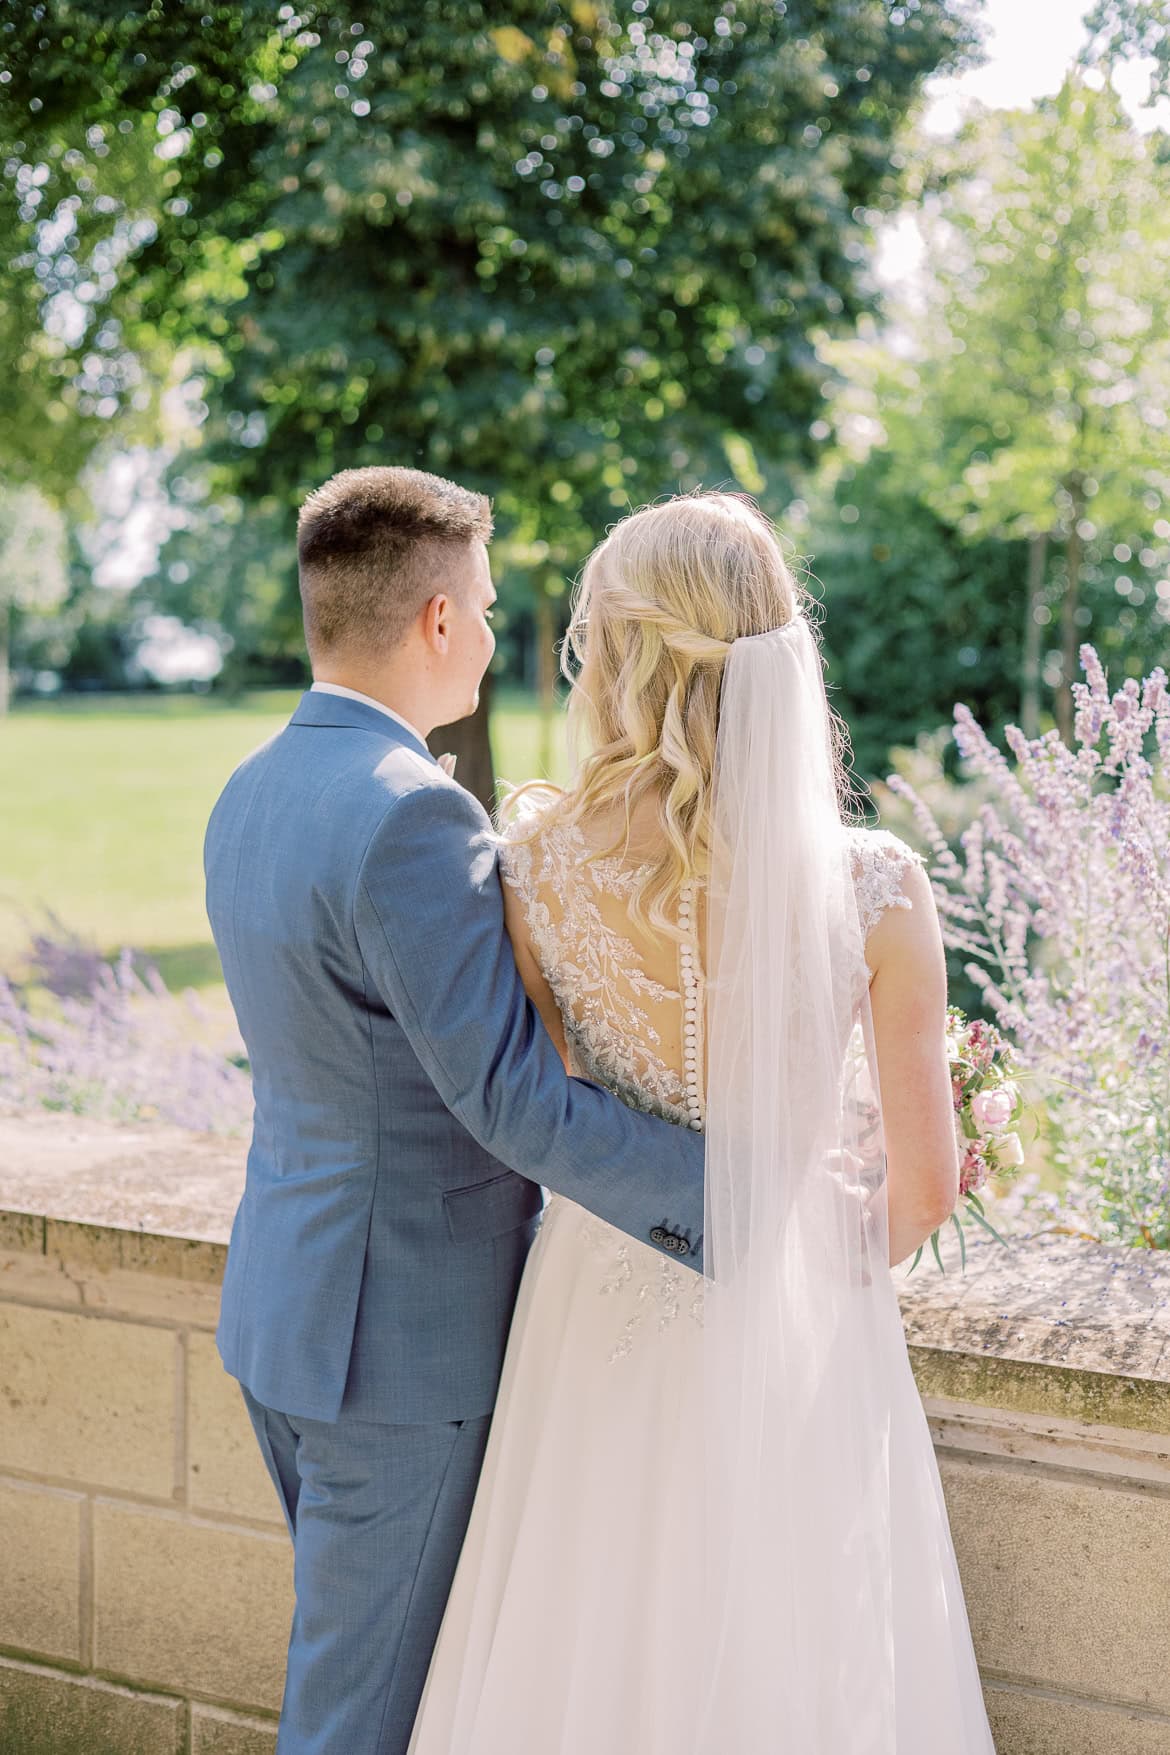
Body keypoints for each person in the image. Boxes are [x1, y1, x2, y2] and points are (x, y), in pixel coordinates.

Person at [408, 492, 998, 1754]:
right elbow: (925, 1189)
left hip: (594, 1301)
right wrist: (814, 1256)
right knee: (796, 1651)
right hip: (795, 1311)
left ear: (619, 655)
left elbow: (551, 1110)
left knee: (585, 1629)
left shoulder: (534, 866)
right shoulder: (878, 887)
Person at [203, 466, 709, 1755]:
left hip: (287, 1314)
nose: (490, 632)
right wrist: (737, 1194)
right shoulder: (414, 814)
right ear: (437, 619)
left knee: (360, 1683)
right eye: (483, 607)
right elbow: (511, 1102)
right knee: (359, 1720)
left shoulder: (250, 789)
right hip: (399, 1351)